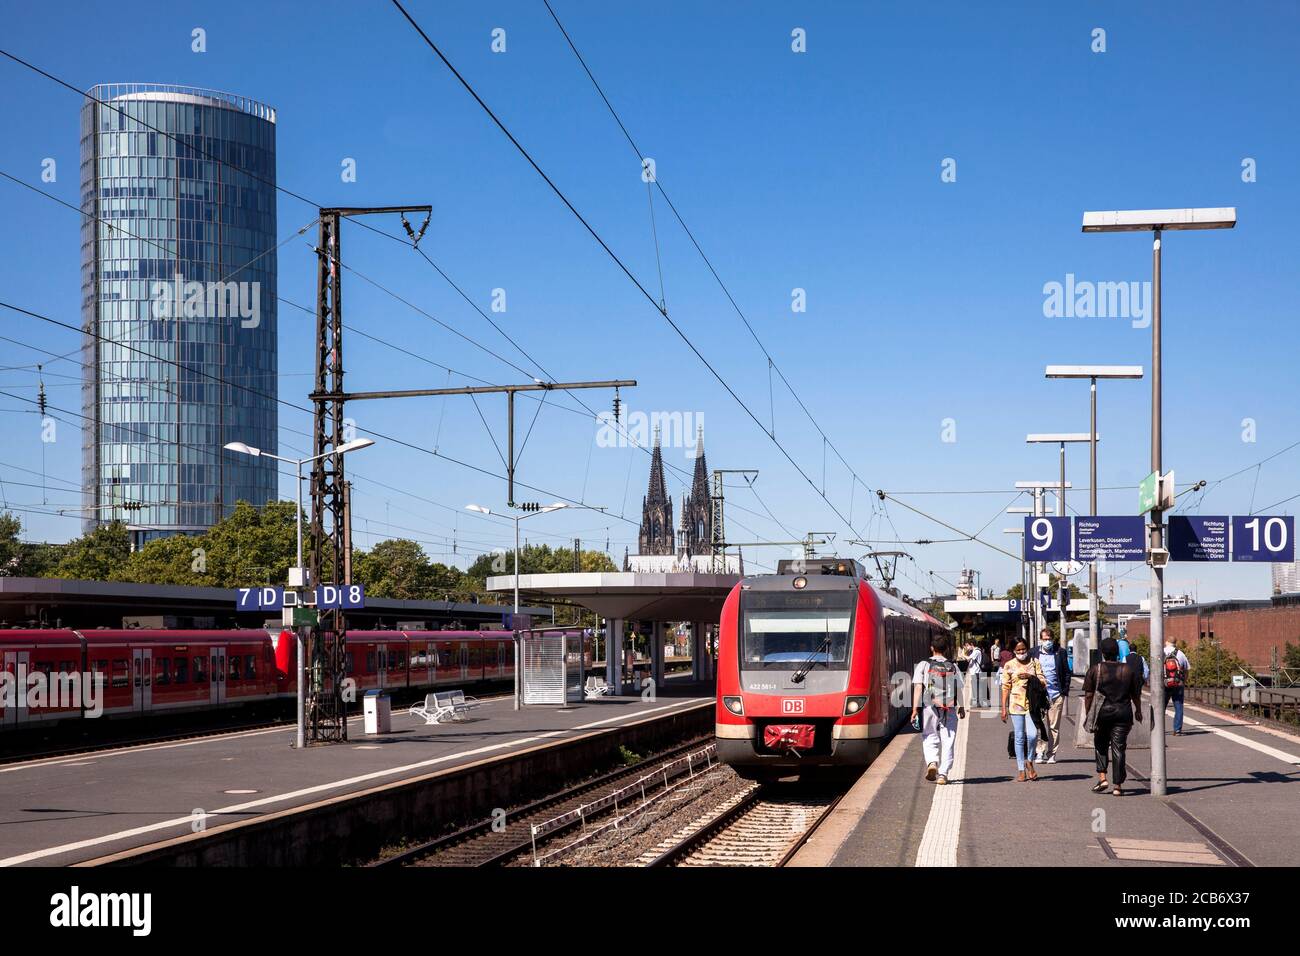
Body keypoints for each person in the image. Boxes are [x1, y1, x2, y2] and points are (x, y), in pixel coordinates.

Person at [1083, 636, 1144, 796]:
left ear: (1102, 653)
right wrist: (1138, 710)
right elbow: (1135, 694)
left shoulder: (1095, 669)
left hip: (1102, 713)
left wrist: (1089, 712)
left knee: (1101, 744)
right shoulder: (1127, 670)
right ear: (1117, 652)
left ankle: (1103, 778)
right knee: (1119, 748)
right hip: (1123, 713)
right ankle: (1118, 786)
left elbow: (1089, 695)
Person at [911, 633, 966, 785]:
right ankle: (943, 774)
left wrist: (915, 709)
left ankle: (932, 762)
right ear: (946, 648)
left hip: (929, 706)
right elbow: (959, 688)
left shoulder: (923, 665)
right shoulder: (953, 666)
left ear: (931, 648)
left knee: (929, 735)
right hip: (949, 707)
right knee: (948, 740)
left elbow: (917, 687)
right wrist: (961, 706)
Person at [1000, 638, 1046, 781]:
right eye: (1018, 650)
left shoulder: (1035, 662)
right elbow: (1005, 687)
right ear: (1014, 651)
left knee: (1032, 735)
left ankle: (1030, 761)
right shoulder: (1008, 666)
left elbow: (1043, 682)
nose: (1021, 652)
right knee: (1019, 737)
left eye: (1023, 649)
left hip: (1033, 705)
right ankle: (1021, 770)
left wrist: (1030, 676)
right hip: (1015, 704)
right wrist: (1003, 708)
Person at [1032, 627, 1071, 763]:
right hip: (1039, 696)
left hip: (1056, 695)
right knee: (1039, 726)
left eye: (1049, 639)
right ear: (1040, 640)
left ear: (1053, 639)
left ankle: (1052, 753)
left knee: (1053, 726)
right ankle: (1039, 752)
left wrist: (1064, 692)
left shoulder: (1060, 653)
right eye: (1045, 639)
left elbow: (1066, 672)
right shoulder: (1034, 653)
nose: (1047, 641)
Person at [1162, 639, 1191, 735]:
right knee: (1178, 707)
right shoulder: (1180, 653)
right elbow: (1186, 669)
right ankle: (1177, 730)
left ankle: (1159, 729)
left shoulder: (1161, 652)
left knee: (1161, 707)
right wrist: (1184, 681)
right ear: (1175, 643)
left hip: (1164, 684)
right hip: (1178, 684)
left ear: (1167, 642)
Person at [965, 640, 985, 708]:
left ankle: (978, 702)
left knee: (976, 688)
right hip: (974, 672)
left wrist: (963, 654)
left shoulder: (976, 651)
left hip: (976, 672)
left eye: (967, 645)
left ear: (971, 644)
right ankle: (977, 702)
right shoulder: (974, 651)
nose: (967, 647)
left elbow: (968, 658)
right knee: (975, 687)